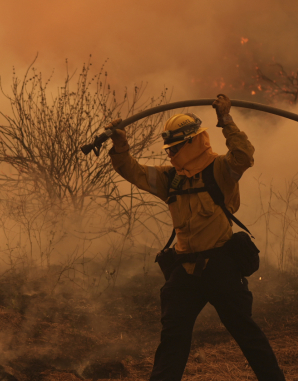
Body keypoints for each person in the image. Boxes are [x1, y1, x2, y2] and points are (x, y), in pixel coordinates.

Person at [107, 95, 285, 380]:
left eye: (175, 147)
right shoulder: (171, 178)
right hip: (185, 271)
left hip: (221, 266)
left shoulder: (220, 170)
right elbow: (133, 171)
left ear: (192, 142)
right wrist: (120, 145)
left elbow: (244, 156)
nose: (170, 153)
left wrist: (226, 121)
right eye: (169, 148)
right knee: (173, 338)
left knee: (245, 332)